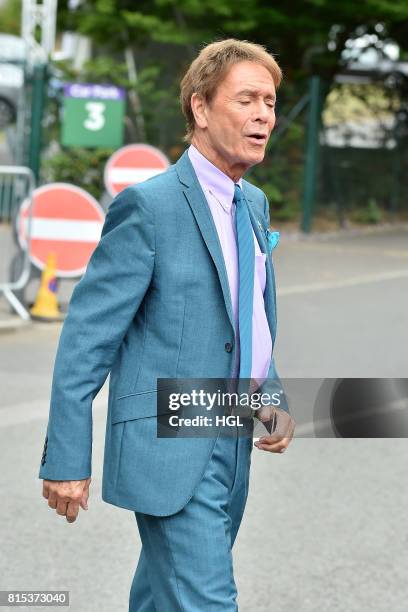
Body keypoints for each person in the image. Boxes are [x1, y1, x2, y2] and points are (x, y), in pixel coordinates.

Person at [39, 38, 295, 611]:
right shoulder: (149, 207)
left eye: (271, 103)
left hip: (231, 437)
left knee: (163, 597)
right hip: (168, 444)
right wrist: (66, 458)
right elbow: (86, 339)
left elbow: (246, 314)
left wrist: (268, 396)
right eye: (247, 99)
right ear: (200, 109)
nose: (263, 116)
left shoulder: (252, 203)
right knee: (206, 601)